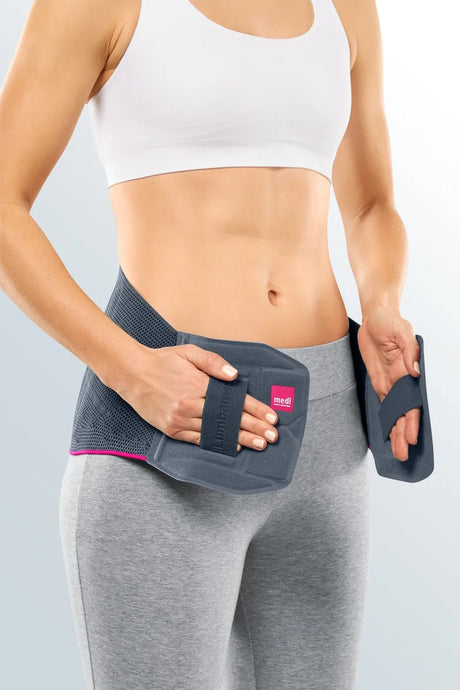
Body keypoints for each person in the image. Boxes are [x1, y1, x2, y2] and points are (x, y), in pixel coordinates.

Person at [0, 0, 422, 688]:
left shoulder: (347, 8)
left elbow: (373, 206)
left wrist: (382, 301)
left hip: (329, 434)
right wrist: (130, 369)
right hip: (170, 434)